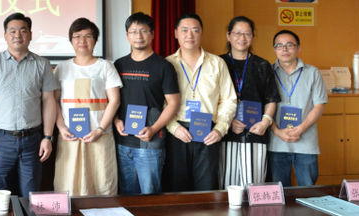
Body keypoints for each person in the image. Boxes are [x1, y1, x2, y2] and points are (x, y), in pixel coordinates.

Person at [0, 12, 59, 197]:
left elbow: (49, 100)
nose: (18, 35)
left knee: (30, 194)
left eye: (23, 30)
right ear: (5, 35)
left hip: (33, 139)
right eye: (12, 31)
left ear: (30, 35)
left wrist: (48, 137)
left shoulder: (42, 64)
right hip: (0, 140)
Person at [164, 13, 237, 191]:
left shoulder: (217, 63)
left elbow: (228, 99)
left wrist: (220, 129)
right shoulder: (166, 64)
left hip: (208, 133)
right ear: (175, 33)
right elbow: (161, 102)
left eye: (195, 30)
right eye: (184, 30)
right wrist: (173, 127)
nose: (190, 35)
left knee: (206, 188)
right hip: (177, 132)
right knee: (176, 188)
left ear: (201, 33)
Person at [114, 12, 180, 195]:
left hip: (150, 142)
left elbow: (173, 103)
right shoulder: (119, 65)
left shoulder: (163, 66)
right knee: (126, 197)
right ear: (127, 35)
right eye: (133, 31)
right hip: (123, 142)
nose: (138, 36)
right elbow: (113, 100)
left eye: (143, 31)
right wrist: (116, 120)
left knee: (149, 197)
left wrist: (154, 128)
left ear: (152, 34)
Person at [53, 18, 121, 196]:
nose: (82, 40)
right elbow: (54, 101)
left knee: (101, 182)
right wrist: (61, 128)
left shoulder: (105, 66)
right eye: (77, 36)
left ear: (95, 40)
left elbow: (114, 100)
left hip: (99, 135)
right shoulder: (62, 68)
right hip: (70, 136)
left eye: (88, 36)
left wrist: (100, 129)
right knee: (69, 182)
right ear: (71, 40)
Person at [219, 16, 279, 188]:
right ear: (228, 35)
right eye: (237, 33)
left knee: (254, 186)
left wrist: (265, 122)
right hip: (225, 133)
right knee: (227, 187)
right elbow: (211, 99)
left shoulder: (262, 65)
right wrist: (227, 121)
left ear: (252, 37)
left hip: (256, 132)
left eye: (247, 34)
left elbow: (271, 98)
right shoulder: (218, 63)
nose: (242, 38)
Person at [268, 30, 327, 186]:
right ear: (274, 49)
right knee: (279, 192)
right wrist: (276, 131)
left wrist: (301, 128)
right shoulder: (267, 72)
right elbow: (263, 107)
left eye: (290, 45)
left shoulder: (312, 73)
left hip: (306, 143)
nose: (284, 49)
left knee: (308, 190)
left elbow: (319, 106)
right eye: (279, 45)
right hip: (276, 142)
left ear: (298, 48)